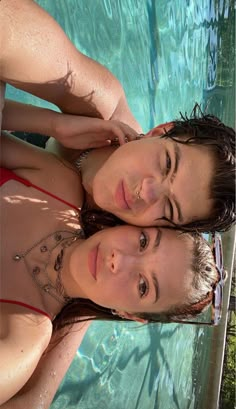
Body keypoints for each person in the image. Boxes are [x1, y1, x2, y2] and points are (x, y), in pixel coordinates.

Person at [0, 130, 219, 407]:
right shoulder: (57, 181)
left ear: (131, 314)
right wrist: (57, 123)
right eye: (143, 241)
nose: (119, 260)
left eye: (143, 286)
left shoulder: (23, 341)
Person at [1, 0, 235, 234]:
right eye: (166, 164)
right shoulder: (104, 108)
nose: (145, 193)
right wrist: (54, 124)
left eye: (169, 208)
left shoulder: (120, 254)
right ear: (160, 131)